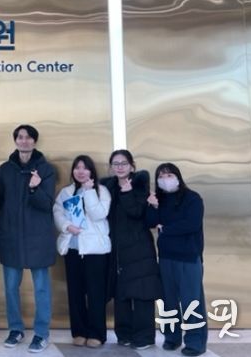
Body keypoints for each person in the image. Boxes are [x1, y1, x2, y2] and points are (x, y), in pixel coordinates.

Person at [0, 124, 56, 353]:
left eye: (29, 137)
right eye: (20, 137)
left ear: (34, 142)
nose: (24, 141)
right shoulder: (5, 170)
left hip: (38, 238)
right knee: (11, 288)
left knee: (41, 289)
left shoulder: (46, 169)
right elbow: (0, 203)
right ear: (15, 141)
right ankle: (16, 329)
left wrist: (34, 189)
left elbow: (47, 204)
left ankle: (41, 333)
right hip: (11, 237)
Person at [101, 149, 162, 350]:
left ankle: (145, 337)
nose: (119, 167)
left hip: (139, 247)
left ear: (132, 166)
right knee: (121, 293)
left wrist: (127, 193)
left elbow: (137, 213)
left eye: (124, 163)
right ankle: (124, 333)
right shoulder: (107, 188)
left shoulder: (140, 186)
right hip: (117, 249)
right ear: (111, 167)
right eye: (115, 163)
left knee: (142, 293)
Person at [146, 163, 207, 357]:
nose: (165, 179)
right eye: (161, 176)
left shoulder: (192, 198)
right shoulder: (160, 200)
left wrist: (165, 229)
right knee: (168, 302)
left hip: (188, 258)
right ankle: (172, 338)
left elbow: (192, 224)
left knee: (192, 302)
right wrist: (153, 206)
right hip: (165, 258)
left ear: (178, 177)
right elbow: (150, 222)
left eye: (169, 175)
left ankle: (195, 342)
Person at [53, 155, 111, 349]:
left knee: (95, 294)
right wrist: (67, 226)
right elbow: (57, 212)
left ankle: (96, 333)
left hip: (95, 251)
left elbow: (99, 214)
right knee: (75, 293)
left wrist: (89, 192)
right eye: (77, 167)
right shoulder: (66, 192)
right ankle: (79, 331)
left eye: (85, 168)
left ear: (91, 171)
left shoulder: (101, 190)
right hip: (73, 248)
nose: (80, 171)